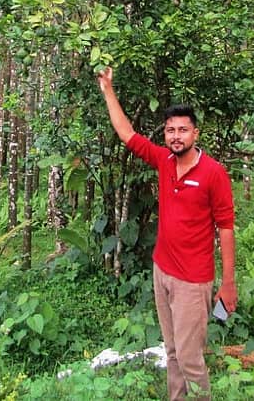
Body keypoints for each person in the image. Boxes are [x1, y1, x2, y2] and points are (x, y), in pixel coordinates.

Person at [97, 67, 236, 401]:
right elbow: (127, 133)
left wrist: (228, 283)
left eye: (183, 130)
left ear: (195, 134)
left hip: (193, 281)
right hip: (163, 272)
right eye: (171, 130)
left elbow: (226, 228)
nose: (176, 136)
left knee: (190, 359)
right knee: (172, 352)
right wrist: (107, 90)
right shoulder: (163, 161)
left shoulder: (213, 174)